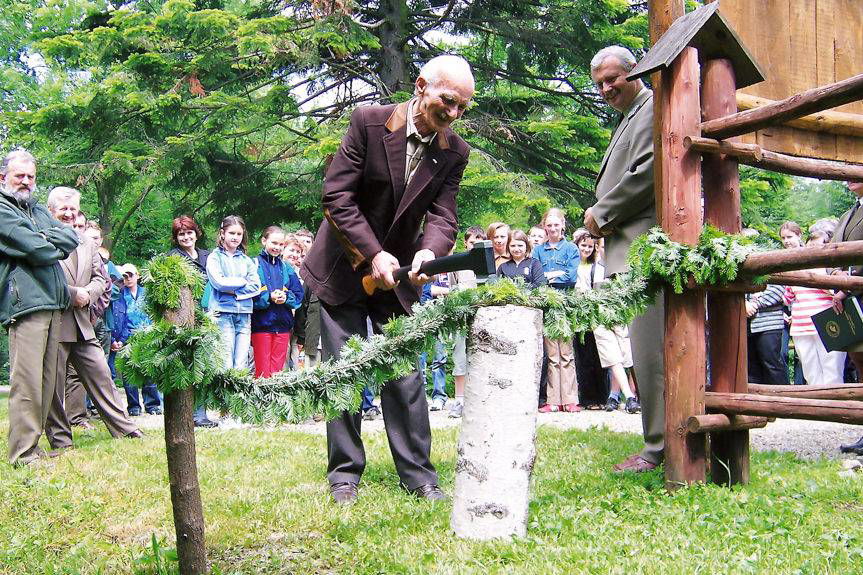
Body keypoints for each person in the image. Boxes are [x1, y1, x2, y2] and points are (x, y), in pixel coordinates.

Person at [300, 54, 475, 504]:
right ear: (421, 86)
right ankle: (344, 475)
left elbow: (443, 215)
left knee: (405, 373)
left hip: (397, 276)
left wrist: (429, 251)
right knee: (343, 371)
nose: (452, 116)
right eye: (447, 102)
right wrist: (372, 254)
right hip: (343, 268)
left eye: (462, 109)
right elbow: (337, 196)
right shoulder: (369, 122)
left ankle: (419, 477)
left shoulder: (454, 151)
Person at [584, 45, 661, 473]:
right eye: (599, 83)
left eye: (612, 78)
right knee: (644, 351)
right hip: (628, 248)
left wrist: (602, 214)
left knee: (651, 355)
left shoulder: (650, 109)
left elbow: (648, 173)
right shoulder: (630, 117)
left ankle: (658, 448)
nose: (606, 88)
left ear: (636, 72)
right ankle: (658, 441)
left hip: (643, 247)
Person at [42, 187, 142, 447]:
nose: (69, 214)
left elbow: (102, 278)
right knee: (53, 387)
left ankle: (125, 429)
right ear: (51, 210)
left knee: (102, 376)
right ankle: (61, 439)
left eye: (73, 209)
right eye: (63, 209)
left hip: (84, 323)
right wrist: (72, 293)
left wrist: (88, 292)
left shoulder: (86, 242)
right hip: (54, 321)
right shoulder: (41, 237)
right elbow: (41, 278)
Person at [0, 150, 80, 465]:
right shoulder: (3, 209)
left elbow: (68, 238)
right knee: (27, 381)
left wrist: (43, 238)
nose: (26, 182)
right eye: (19, 175)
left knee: (48, 381)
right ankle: (22, 452)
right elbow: (38, 249)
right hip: (25, 302)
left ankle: (34, 448)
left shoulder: (34, 207)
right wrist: (44, 241)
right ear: (3, 176)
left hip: (52, 298)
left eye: (31, 176)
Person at [573, 229, 640, 413]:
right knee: (612, 357)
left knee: (627, 356)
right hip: (600, 317)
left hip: (621, 316)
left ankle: (632, 394)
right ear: (598, 247)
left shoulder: (624, 268)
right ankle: (629, 397)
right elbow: (582, 293)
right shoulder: (590, 269)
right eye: (602, 246)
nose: (605, 250)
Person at [167, 215, 220, 428]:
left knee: (204, 365)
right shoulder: (173, 258)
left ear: (196, 233)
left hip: (208, 315)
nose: (186, 237)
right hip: (184, 318)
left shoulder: (209, 256)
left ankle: (202, 412)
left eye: (189, 232)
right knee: (189, 366)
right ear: (176, 237)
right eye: (181, 234)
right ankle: (192, 414)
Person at [534, 208, 580, 413]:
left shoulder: (571, 249)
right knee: (552, 354)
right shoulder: (538, 251)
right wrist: (554, 275)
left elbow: (571, 277)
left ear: (563, 225)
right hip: (547, 304)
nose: (552, 228)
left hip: (565, 304)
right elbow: (537, 278)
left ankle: (570, 399)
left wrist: (551, 276)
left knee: (567, 353)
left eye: (556, 224)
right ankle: (553, 400)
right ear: (544, 227)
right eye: (549, 225)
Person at [206, 215, 261, 370]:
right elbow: (219, 283)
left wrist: (235, 292)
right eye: (232, 233)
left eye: (239, 234)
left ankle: (237, 395)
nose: (235, 237)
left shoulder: (246, 260)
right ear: (222, 233)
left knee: (241, 365)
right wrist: (243, 281)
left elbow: (256, 286)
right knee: (225, 364)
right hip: (222, 313)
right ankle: (224, 395)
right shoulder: (214, 257)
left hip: (244, 314)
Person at [252, 226, 304, 378]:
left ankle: (275, 402)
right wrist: (269, 297)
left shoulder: (287, 268)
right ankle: (260, 402)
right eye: (274, 243)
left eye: (281, 245)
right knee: (262, 373)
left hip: (283, 326)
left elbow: (298, 295)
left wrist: (286, 297)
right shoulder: (255, 265)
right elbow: (250, 295)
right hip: (262, 325)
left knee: (277, 373)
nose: (277, 247)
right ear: (264, 241)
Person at [112, 263, 163, 416]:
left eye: (131, 275)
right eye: (124, 276)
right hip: (127, 337)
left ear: (138, 275)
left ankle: (152, 405)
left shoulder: (147, 293)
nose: (128, 279)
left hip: (147, 335)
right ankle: (133, 406)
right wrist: (119, 338)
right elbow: (118, 318)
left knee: (149, 372)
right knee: (129, 373)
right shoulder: (119, 295)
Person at [446, 227, 486, 418]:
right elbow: (453, 288)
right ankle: (459, 400)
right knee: (459, 357)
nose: (475, 246)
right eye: (472, 242)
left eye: (479, 242)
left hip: (482, 316)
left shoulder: (488, 260)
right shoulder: (459, 263)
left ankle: (480, 400)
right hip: (462, 317)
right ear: (465, 243)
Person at [836, 181, 863, 454]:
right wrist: (836, 279)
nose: (850, 176)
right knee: (859, 362)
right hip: (849, 299)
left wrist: (849, 284)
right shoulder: (847, 215)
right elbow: (834, 253)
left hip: (854, 293)